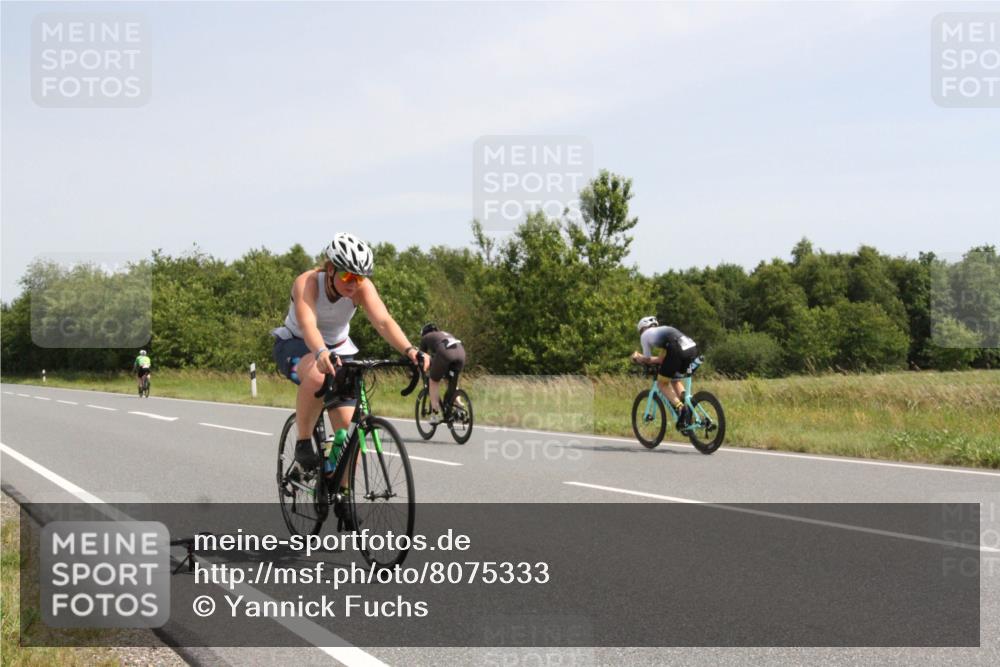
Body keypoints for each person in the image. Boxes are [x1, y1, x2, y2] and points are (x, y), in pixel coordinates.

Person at [271, 233, 427, 480]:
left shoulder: (361, 289)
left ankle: (342, 497)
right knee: (316, 374)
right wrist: (321, 352)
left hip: (340, 350)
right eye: (347, 275)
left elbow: (384, 322)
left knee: (348, 435)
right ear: (331, 269)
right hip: (297, 345)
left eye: (360, 277)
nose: (354, 283)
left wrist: (410, 350)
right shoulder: (308, 283)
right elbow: (309, 325)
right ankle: (303, 443)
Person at [630, 316, 703, 429]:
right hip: (691, 349)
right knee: (675, 380)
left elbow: (648, 359)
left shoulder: (645, 335)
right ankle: (688, 405)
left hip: (676, 350)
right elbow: (661, 359)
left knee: (661, 383)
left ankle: (680, 408)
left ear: (642, 329)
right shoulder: (665, 332)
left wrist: (637, 357)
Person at [418, 323, 466, 425]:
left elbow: (422, 357)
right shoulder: (444, 334)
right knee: (450, 380)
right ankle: (460, 406)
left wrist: (420, 370)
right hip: (461, 353)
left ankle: (435, 414)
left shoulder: (426, 337)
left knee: (433, 381)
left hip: (446, 353)